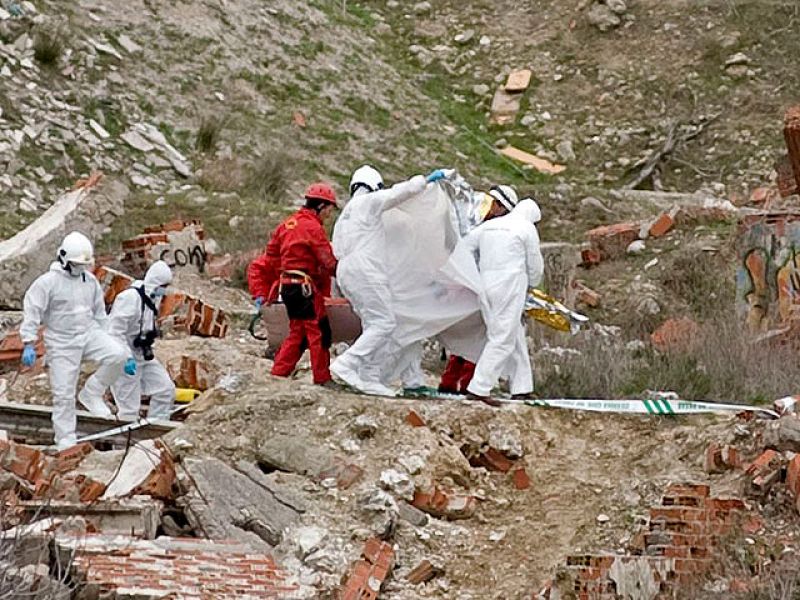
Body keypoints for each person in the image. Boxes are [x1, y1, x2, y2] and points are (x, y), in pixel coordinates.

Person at [330, 165, 447, 396]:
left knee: (373, 323)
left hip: (346, 270)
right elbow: (399, 193)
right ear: (374, 186)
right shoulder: (368, 202)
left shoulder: (346, 215)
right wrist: (424, 181)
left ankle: (368, 376)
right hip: (365, 270)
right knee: (384, 323)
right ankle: (347, 364)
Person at [20, 231, 130, 450]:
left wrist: (120, 347)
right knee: (63, 395)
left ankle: (92, 393)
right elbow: (32, 310)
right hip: (61, 343)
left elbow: (100, 315)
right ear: (63, 258)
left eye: (84, 264)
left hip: (88, 333)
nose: (82, 268)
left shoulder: (89, 281)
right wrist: (28, 342)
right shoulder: (47, 283)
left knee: (118, 355)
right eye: (77, 264)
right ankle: (65, 440)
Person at [438, 184, 521, 395]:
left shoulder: (491, 227)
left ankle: (459, 381)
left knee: (476, 337)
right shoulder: (478, 223)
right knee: (474, 336)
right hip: (471, 285)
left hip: (478, 285)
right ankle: (458, 382)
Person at [462, 198, 544, 407]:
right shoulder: (526, 228)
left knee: (514, 334)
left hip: (485, 283)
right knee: (502, 338)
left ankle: (522, 388)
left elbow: (465, 248)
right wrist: (533, 284)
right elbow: (534, 265)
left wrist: (474, 273)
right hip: (510, 284)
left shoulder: (490, 226)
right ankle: (479, 387)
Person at [258, 183, 340, 387]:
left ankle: (279, 372)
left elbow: (271, 256)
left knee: (298, 333)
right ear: (321, 205)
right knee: (319, 331)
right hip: (304, 287)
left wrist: (284, 272)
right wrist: (345, 271)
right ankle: (322, 378)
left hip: (287, 287)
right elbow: (327, 261)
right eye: (329, 210)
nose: (328, 215)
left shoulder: (287, 224)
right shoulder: (313, 228)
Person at [108, 260, 175, 421]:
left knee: (165, 390)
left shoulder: (152, 299)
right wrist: (126, 357)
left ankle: (155, 430)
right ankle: (125, 442)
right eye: (162, 286)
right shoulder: (129, 299)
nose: (163, 291)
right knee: (129, 410)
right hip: (123, 357)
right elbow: (114, 332)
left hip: (142, 356)